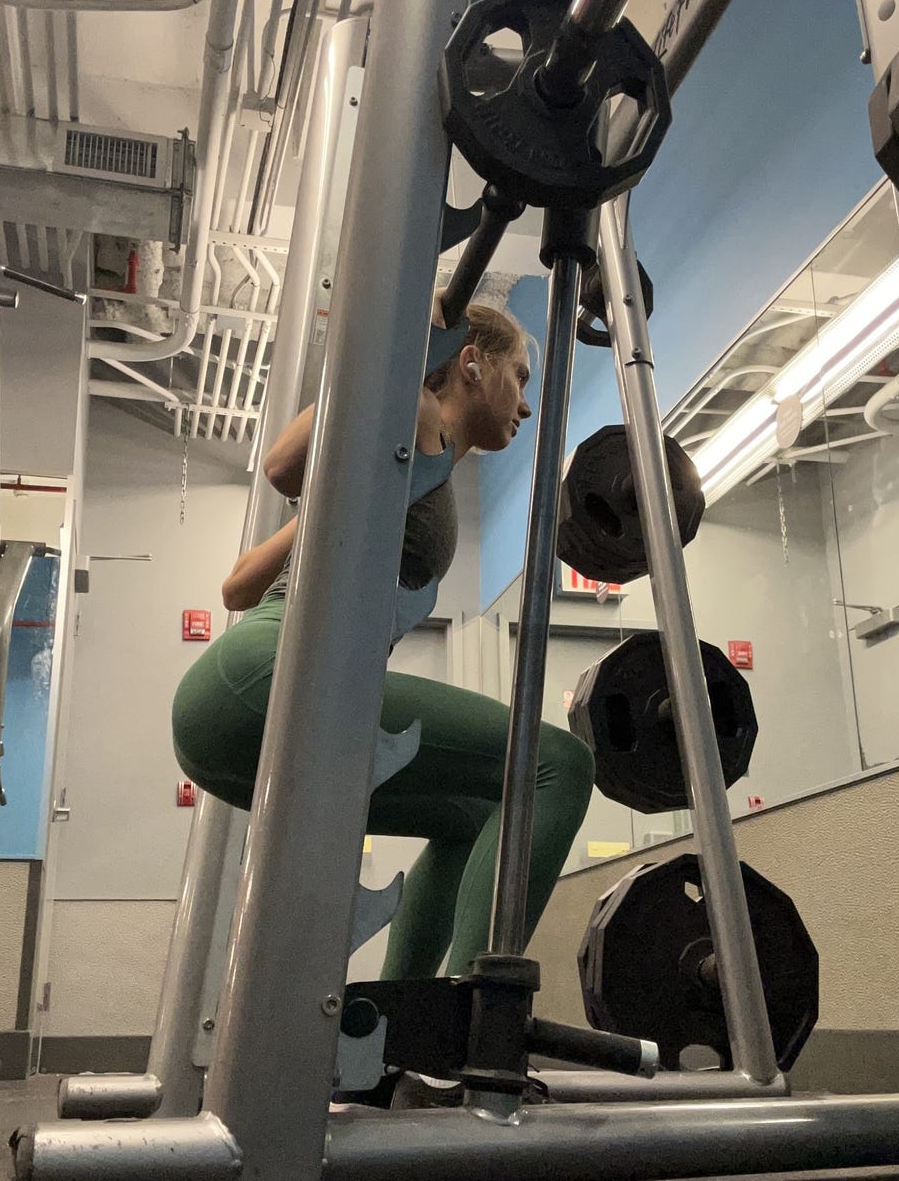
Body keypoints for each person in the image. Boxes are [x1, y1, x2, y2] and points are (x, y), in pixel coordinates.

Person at [171, 300, 594, 988]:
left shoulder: (394, 471)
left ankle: (411, 1029)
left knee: (473, 813)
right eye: (518, 377)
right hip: (271, 676)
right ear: (469, 362)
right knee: (559, 765)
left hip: (224, 711)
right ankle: (473, 1022)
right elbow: (282, 465)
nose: (525, 404)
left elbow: (238, 586)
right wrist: (400, 336)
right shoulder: (417, 419)